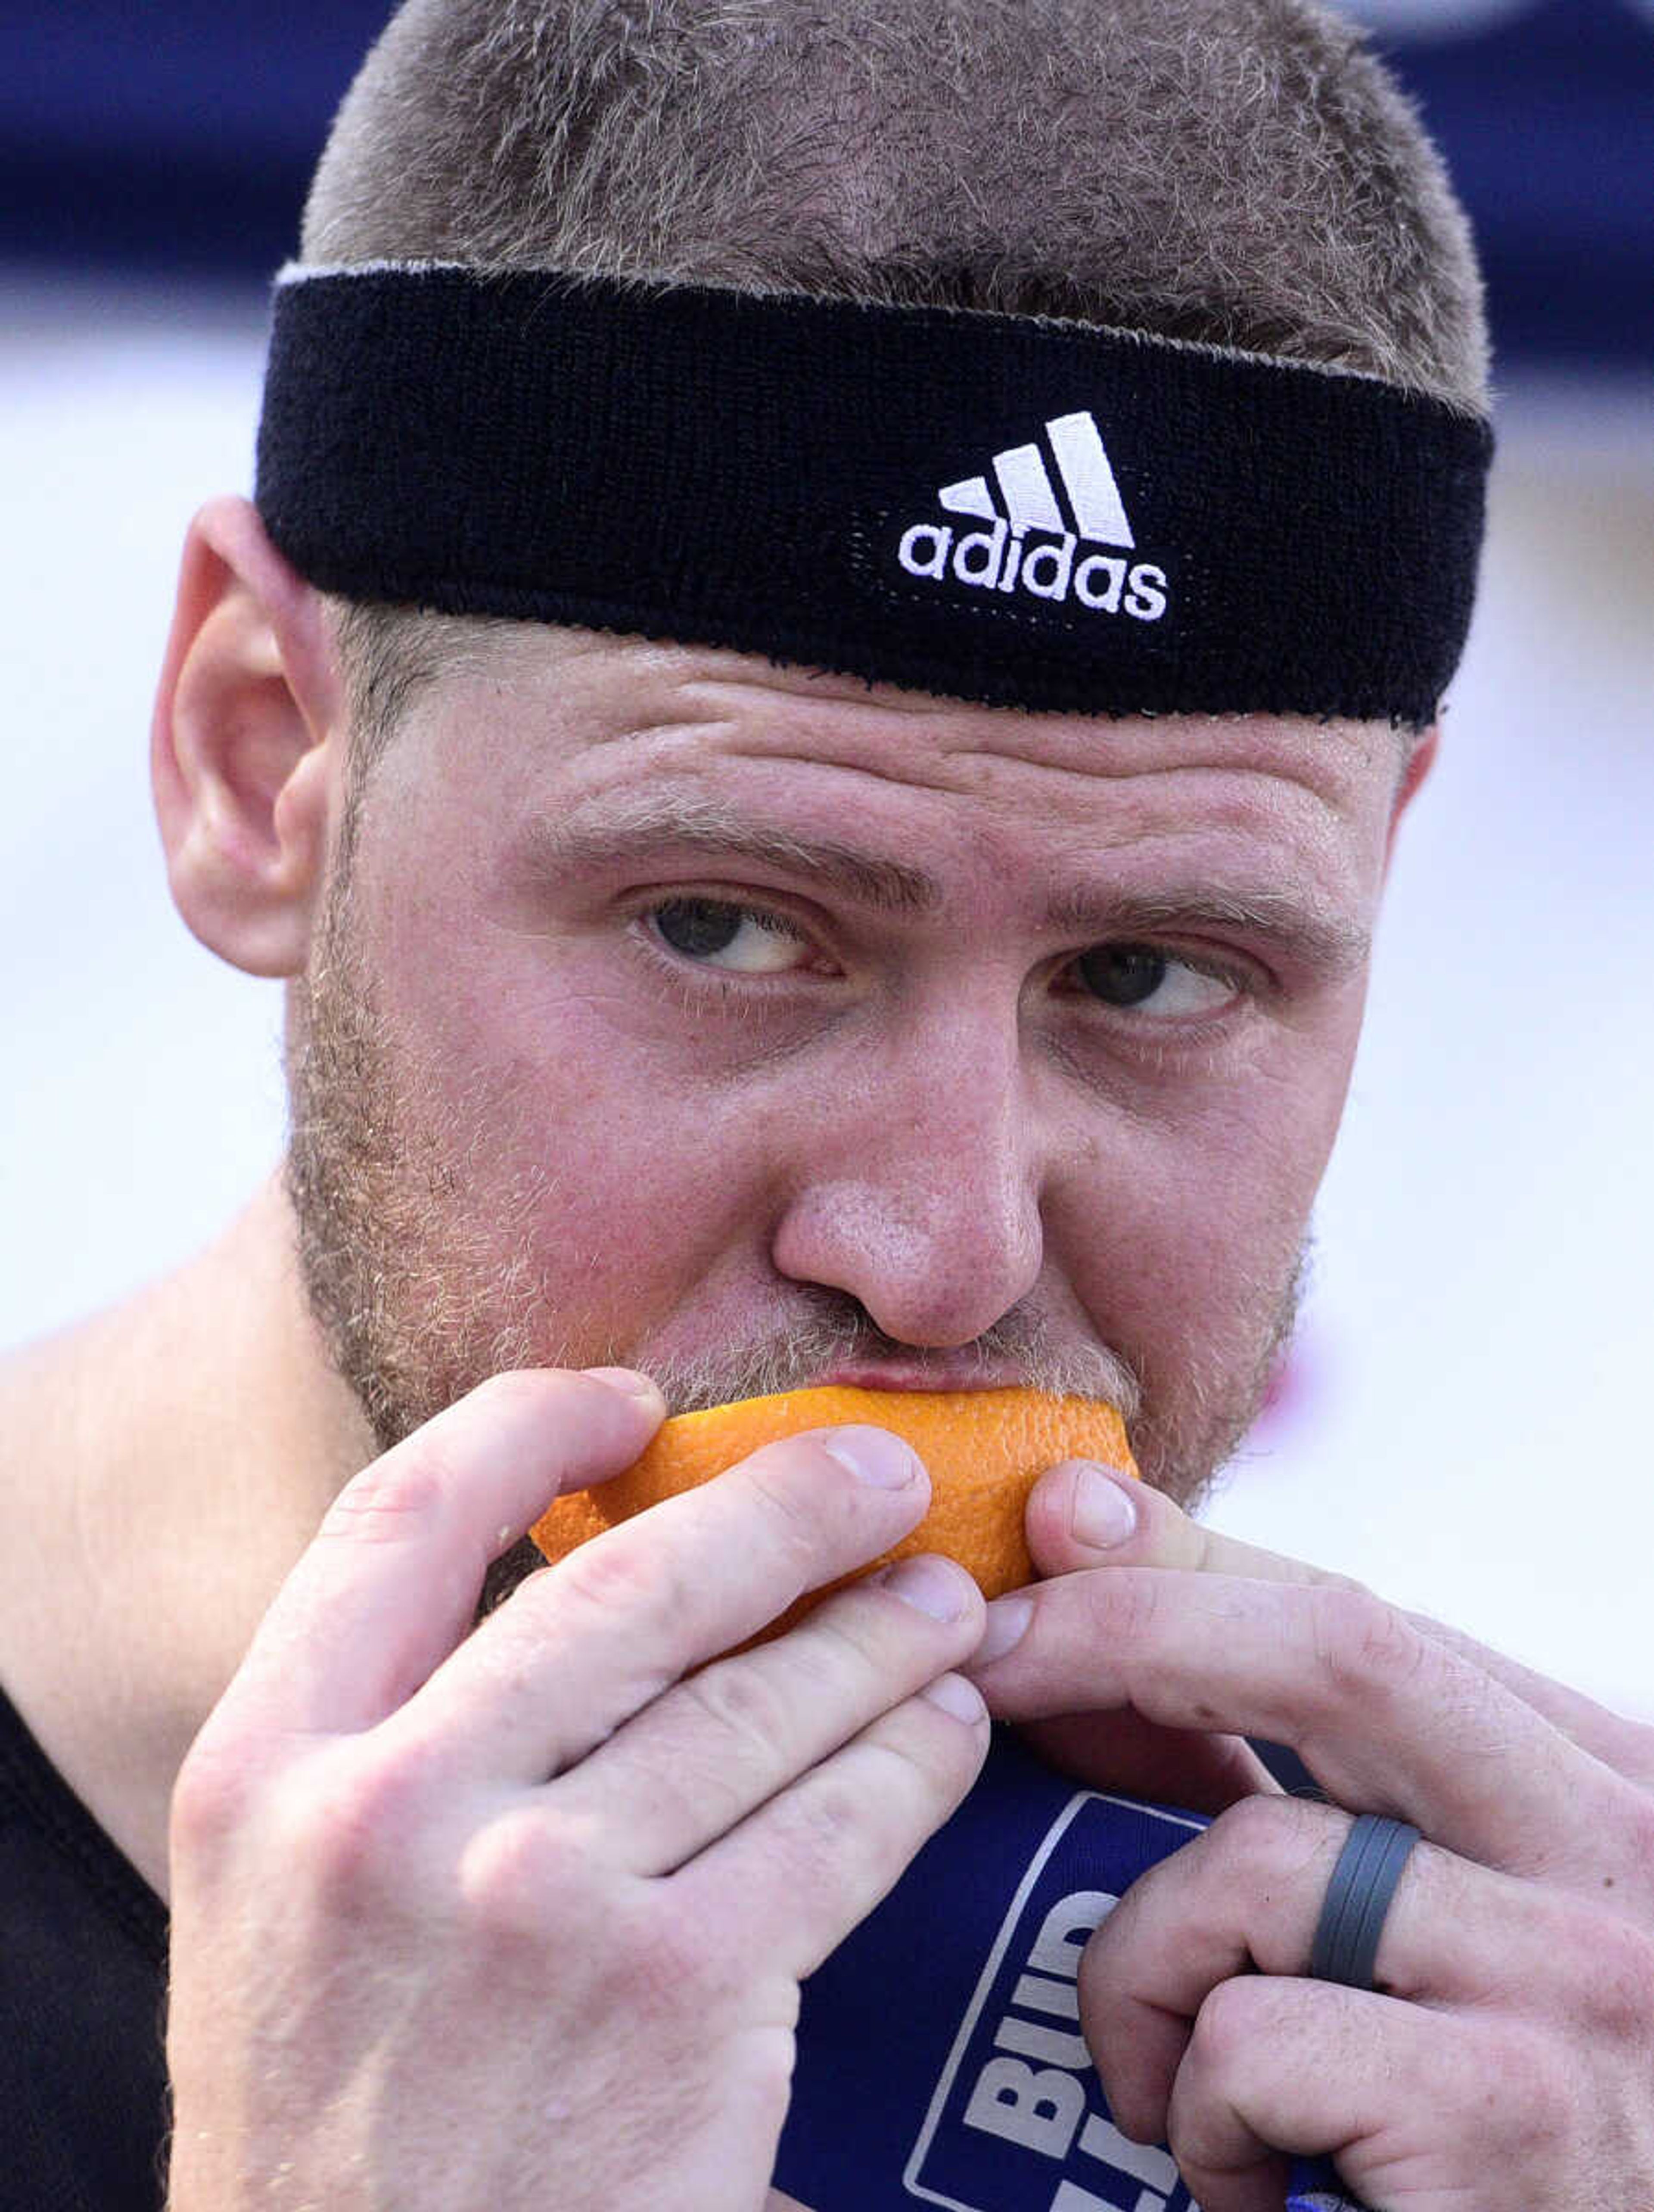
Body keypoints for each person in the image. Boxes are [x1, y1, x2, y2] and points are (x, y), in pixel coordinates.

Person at [2, 1, 1650, 2206]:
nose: (944, 1246)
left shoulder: (1503, 2026)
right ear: (260, 766)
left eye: (1152, 975)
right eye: (722, 926)